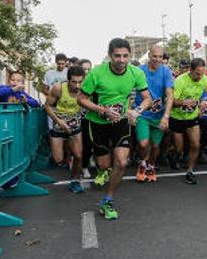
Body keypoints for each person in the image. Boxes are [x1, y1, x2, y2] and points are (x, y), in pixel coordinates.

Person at [77, 38, 151, 220]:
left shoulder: (136, 73)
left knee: (121, 162)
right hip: (98, 123)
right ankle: (104, 171)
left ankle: (108, 199)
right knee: (103, 165)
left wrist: (137, 110)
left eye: (125, 56)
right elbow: (81, 99)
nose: (121, 60)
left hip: (121, 121)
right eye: (117, 56)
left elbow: (147, 98)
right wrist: (103, 111)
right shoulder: (97, 73)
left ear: (130, 56)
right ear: (110, 55)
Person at [169, 58, 207, 185]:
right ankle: (173, 155)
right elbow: (172, 101)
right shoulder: (180, 80)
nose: (200, 76)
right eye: (197, 73)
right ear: (190, 70)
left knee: (196, 145)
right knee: (179, 149)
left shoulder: (204, 80)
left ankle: (190, 171)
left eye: (202, 73)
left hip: (192, 117)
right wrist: (183, 102)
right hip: (177, 117)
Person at [134, 45, 174, 183]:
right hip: (143, 114)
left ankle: (151, 166)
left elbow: (170, 95)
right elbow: (129, 92)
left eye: (160, 57)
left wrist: (166, 116)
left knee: (156, 146)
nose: (157, 59)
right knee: (144, 144)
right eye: (155, 56)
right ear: (149, 56)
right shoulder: (139, 71)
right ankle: (142, 163)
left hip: (159, 115)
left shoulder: (166, 71)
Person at [44, 66, 86, 193]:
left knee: (78, 155)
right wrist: (59, 122)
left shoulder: (85, 90)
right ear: (68, 80)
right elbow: (47, 106)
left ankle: (74, 180)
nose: (77, 85)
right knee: (58, 160)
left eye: (80, 81)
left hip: (75, 126)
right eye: (74, 82)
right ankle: (61, 148)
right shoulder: (58, 88)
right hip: (58, 125)